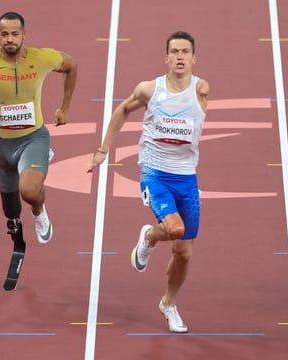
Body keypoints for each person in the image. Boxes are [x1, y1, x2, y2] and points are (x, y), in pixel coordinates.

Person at [87, 31, 208, 333]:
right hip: (154, 173)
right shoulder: (149, 90)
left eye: (185, 51)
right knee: (175, 229)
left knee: (184, 253)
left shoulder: (202, 90)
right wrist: (104, 149)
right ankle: (150, 238)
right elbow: (122, 110)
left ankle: (168, 304)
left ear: (194, 58)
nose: (180, 57)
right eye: (174, 51)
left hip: (187, 177)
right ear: (166, 57)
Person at [0, 11, 77, 245]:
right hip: (3, 145)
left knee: (28, 191)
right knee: (10, 210)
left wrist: (64, 108)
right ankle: (18, 224)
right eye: (4, 34)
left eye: (15, 34)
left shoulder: (41, 58)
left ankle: (39, 210)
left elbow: (71, 65)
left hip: (33, 139)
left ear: (24, 35)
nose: (9, 39)